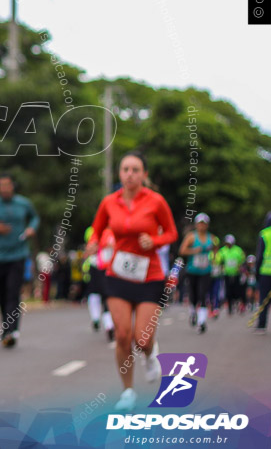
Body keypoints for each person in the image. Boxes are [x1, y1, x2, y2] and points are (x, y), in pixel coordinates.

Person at [85, 152, 177, 412]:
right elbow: (98, 229)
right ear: (119, 174)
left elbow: (172, 232)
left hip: (149, 276)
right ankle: (127, 390)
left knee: (142, 339)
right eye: (125, 169)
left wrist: (155, 241)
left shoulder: (156, 201)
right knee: (123, 335)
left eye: (136, 169)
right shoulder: (109, 202)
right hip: (118, 275)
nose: (130, 174)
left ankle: (150, 354)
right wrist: (92, 244)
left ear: (144, 175)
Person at [0, 174, 40, 348]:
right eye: (1, 186)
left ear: (13, 186)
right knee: (3, 294)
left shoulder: (23, 203)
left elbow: (35, 218)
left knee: (13, 292)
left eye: (8, 185)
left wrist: (30, 229)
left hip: (18, 254)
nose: (5, 188)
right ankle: (6, 327)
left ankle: (11, 330)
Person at [178, 213, 217, 333]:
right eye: (200, 223)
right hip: (192, 270)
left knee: (203, 294)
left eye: (204, 224)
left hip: (205, 271)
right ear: (196, 224)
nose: (202, 226)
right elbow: (182, 250)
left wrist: (214, 261)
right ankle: (193, 312)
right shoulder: (191, 237)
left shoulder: (212, 238)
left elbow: (216, 250)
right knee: (193, 295)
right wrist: (195, 250)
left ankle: (202, 322)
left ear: (207, 225)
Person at [83, 226, 115, 341]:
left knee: (103, 296)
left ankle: (107, 324)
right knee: (101, 296)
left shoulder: (112, 230)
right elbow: (89, 250)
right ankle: (103, 322)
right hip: (100, 268)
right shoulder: (95, 231)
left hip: (107, 269)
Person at [216, 234, 245, 316]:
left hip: (236, 274)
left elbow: (242, 260)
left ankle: (237, 302)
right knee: (228, 291)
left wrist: (240, 268)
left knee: (236, 290)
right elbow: (219, 260)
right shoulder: (222, 250)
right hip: (226, 274)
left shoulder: (238, 250)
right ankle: (230, 308)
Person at [254, 212, 271, 334]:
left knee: (263, 299)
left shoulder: (264, 234)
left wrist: (257, 272)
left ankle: (261, 325)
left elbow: (259, 255)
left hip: (266, 272)